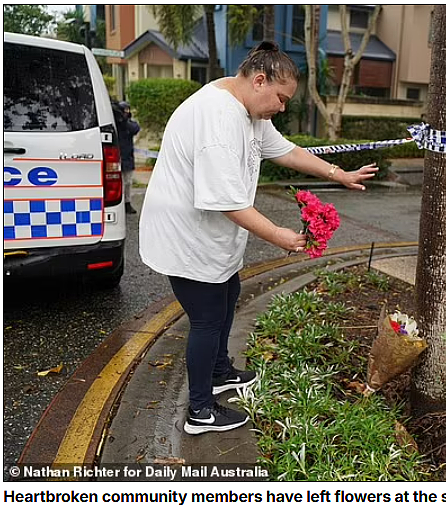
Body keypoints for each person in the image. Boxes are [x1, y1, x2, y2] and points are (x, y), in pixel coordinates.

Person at [139, 41, 378, 435]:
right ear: (260, 80)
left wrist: (339, 174)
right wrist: (280, 235)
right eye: (281, 99)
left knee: (229, 294)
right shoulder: (217, 119)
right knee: (206, 319)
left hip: (211, 238)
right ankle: (199, 411)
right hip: (187, 237)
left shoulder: (245, 106)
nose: (282, 108)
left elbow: (287, 152)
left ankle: (219, 372)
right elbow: (225, 202)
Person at [115, 101, 141, 214]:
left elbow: (135, 128)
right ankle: (118, 203)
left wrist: (124, 120)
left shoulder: (129, 124)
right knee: (117, 183)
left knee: (128, 182)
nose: (126, 112)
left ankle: (127, 203)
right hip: (117, 158)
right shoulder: (116, 124)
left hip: (127, 158)